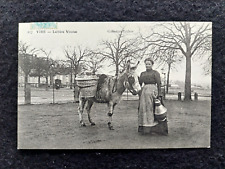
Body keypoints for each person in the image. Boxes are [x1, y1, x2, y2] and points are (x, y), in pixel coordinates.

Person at [138, 58, 168, 135]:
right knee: (144, 108)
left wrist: (159, 94)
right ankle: (144, 127)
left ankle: (156, 128)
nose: (147, 65)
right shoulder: (142, 74)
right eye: (146, 64)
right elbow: (140, 84)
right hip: (144, 92)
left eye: (149, 64)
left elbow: (159, 84)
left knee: (154, 108)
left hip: (153, 91)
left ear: (152, 65)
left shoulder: (155, 73)